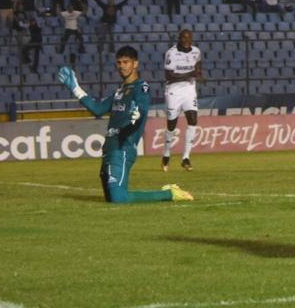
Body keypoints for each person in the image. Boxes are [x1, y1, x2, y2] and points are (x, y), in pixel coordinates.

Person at [57, 48, 193, 204]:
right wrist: (75, 88)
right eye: (119, 62)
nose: (122, 66)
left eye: (126, 62)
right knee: (111, 199)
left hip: (123, 148)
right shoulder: (119, 92)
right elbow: (98, 109)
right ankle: (167, 193)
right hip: (109, 148)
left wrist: (138, 114)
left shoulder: (141, 86)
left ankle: (170, 193)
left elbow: (142, 106)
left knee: (118, 199)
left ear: (135, 64)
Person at [162, 29, 204, 172]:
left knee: (193, 121)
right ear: (179, 39)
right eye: (184, 37)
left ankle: (186, 158)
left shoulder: (196, 51)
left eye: (189, 38)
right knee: (172, 125)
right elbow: (169, 76)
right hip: (173, 90)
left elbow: (198, 68)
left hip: (189, 90)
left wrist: (199, 76)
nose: (187, 40)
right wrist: (190, 74)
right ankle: (166, 154)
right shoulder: (171, 53)